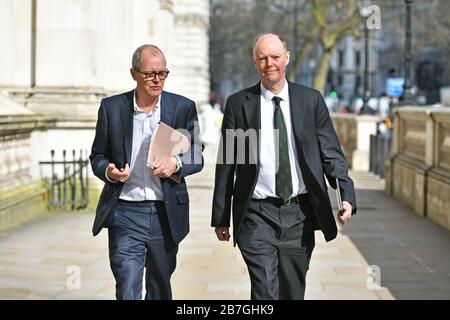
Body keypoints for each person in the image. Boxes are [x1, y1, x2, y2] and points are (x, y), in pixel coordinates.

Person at [211, 33, 357, 300]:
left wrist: (346, 194)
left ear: (286, 58)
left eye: (275, 57)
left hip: (299, 214)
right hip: (256, 214)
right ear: (255, 63)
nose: (270, 64)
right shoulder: (240, 105)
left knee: (292, 291)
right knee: (265, 290)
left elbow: (331, 153)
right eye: (263, 58)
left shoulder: (310, 101)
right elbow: (228, 164)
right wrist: (221, 217)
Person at [90, 44, 203, 300]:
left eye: (163, 73)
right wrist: (108, 171)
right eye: (150, 73)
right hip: (125, 212)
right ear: (133, 74)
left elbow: (196, 153)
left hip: (165, 213)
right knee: (127, 286)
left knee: (159, 288)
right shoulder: (112, 108)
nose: (157, 80)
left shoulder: (182, 107)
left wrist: (176, 163)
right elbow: (97, 155)